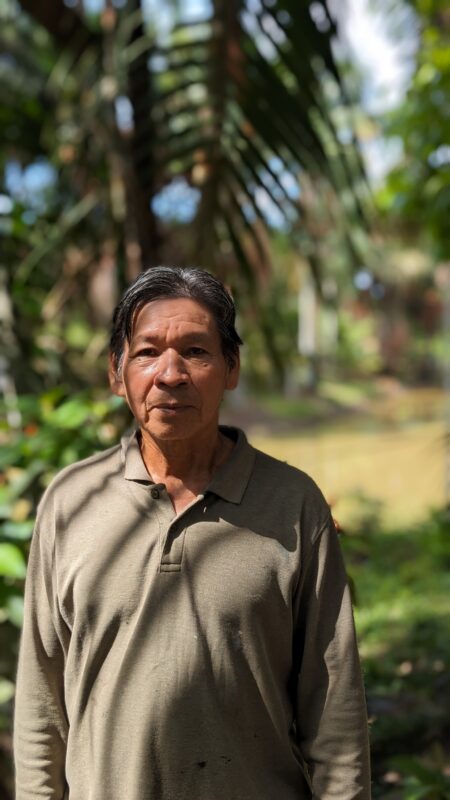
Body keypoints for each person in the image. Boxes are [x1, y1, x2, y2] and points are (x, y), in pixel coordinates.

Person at [14, 266, 371, 800]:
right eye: (147, 352)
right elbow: (41, 709)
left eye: (196, 352)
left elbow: (335, 710)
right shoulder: (71, 502)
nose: (170, 374)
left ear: (231, 368)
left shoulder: (294, 505)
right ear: (116, 372)